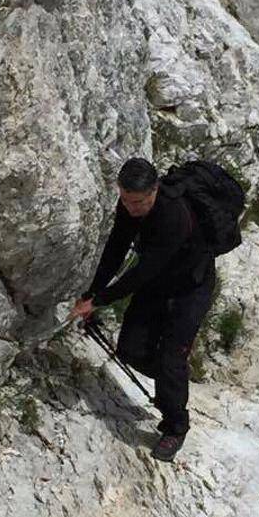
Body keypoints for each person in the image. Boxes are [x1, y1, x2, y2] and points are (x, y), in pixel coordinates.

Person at [70, 157, 214, 462]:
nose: (131, 208)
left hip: (191, 286)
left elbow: (142, 271)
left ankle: (175, 426)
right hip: (159, 284)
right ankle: (171, 379)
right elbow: (115, 249)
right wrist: (92, 292)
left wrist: (97, 302)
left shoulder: (173, 216)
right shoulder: (128, 207)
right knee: (130, 349)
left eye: (138, 202)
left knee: (170, 360)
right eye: (125, 200)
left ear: (155, 191)